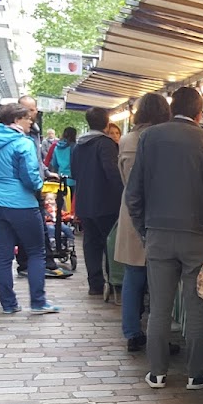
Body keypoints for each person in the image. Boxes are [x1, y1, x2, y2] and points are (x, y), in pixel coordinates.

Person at [125, 86, 203, 390]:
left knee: (159, 306)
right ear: (200, 112)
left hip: (157, 235)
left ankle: (157, 373)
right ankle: (196, 374)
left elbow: (133, 194)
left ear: (171, 109)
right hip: (198, 237)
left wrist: (145, 231)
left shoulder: (149, 138)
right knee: (197, 306)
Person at [0, 102, 61, 315]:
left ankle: (8, 303)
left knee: (3, 253)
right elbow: (30, 175)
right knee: (35, 252)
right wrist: (38, 187)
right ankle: (38, 302)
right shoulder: (23, 143)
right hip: (22, 203)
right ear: (16, 120)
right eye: (27, 118)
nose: (31, 121)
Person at [114, 93, 170, 352]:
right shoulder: (162, 140)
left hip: (130, 211)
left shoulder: (125, 140)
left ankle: (132, 332)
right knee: (159, 278)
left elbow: (125, 178)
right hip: (157, 212)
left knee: (133, 275)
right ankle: (159, 338)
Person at [14, 96, 69, 278]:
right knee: (37, 226)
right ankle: (42, 263)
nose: (33, 113)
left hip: (34, 185)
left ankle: (32, 263)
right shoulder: (18, 135)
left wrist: (45, 172)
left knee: (36, 225)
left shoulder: (35, 131)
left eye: (34, 109)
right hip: (25, 188)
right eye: (29, 110)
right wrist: (35, 181)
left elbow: (36, 159)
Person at [72, 107, 123, 295]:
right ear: (106, 122)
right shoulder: (105, 144)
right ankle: (114, 282)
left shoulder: (79, 145)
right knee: (110, 243)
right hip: (107, 202)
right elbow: (112, 172)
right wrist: (123, 194)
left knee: (91, 243)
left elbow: (75, 172)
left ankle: (95, 284)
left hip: (85, 202)